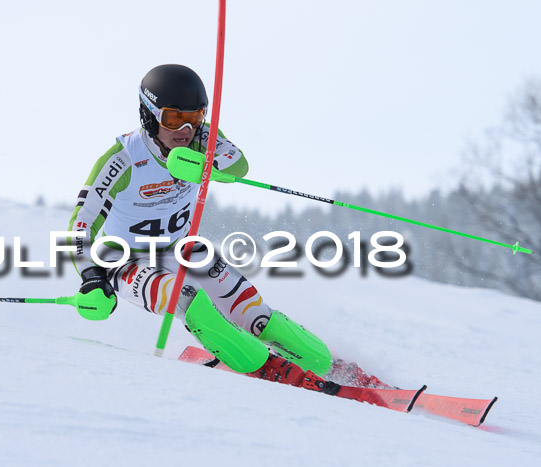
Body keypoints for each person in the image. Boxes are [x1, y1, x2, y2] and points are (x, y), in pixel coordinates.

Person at [67, 64, 351, 394]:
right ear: (149, 114)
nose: (185, 129)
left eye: (196, 116)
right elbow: (79, 227)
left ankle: (325, 363)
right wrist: (91, 276)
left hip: (182, 250)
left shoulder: (202, 138)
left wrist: (208, 165)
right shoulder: (123, 160)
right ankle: (262, 367)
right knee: (187, 298)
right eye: (173, 118)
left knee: (254, 313)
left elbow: (238, 163)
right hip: (127, 261)